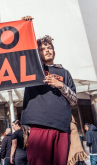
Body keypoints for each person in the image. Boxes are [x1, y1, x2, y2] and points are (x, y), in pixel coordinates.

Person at [21, 16, 78, 165]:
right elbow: (24, 52)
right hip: (39, 126)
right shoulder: (33, 69)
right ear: (38, 53)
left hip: (62, 127)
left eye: (49, 48)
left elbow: (74, 101)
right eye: (42, 49)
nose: (47, 51)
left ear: (54, 50)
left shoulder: (64, 72)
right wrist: (25, 27)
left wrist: (61, 86)